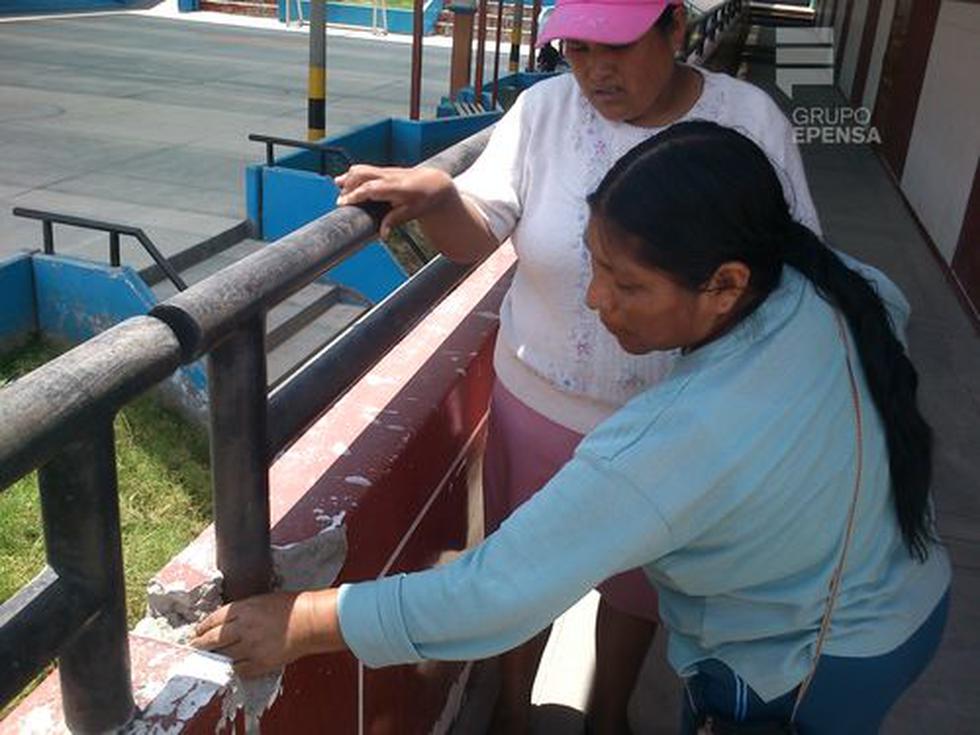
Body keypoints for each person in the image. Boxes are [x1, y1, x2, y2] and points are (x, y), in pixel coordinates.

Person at [192, 122, 951, 734]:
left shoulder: (681, 438)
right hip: (900, 601)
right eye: (594, 263)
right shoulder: (838, 286)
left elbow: (490, 596)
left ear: (726, 284)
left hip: (799, 669)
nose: (597, 299)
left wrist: (301, 620)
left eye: (628, 284)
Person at [319, 1, 825, 730]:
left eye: (616, 45)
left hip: (674, 425)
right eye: (577, 49)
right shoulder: (543, 111)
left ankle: (606, 709)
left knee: (642, 585)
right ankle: (513, 711)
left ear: (675, 30)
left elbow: (794, 267)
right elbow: (481, 228)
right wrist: (437, 197)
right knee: (520, 578)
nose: (594, 70)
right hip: (539, 412)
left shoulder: (748, 121)